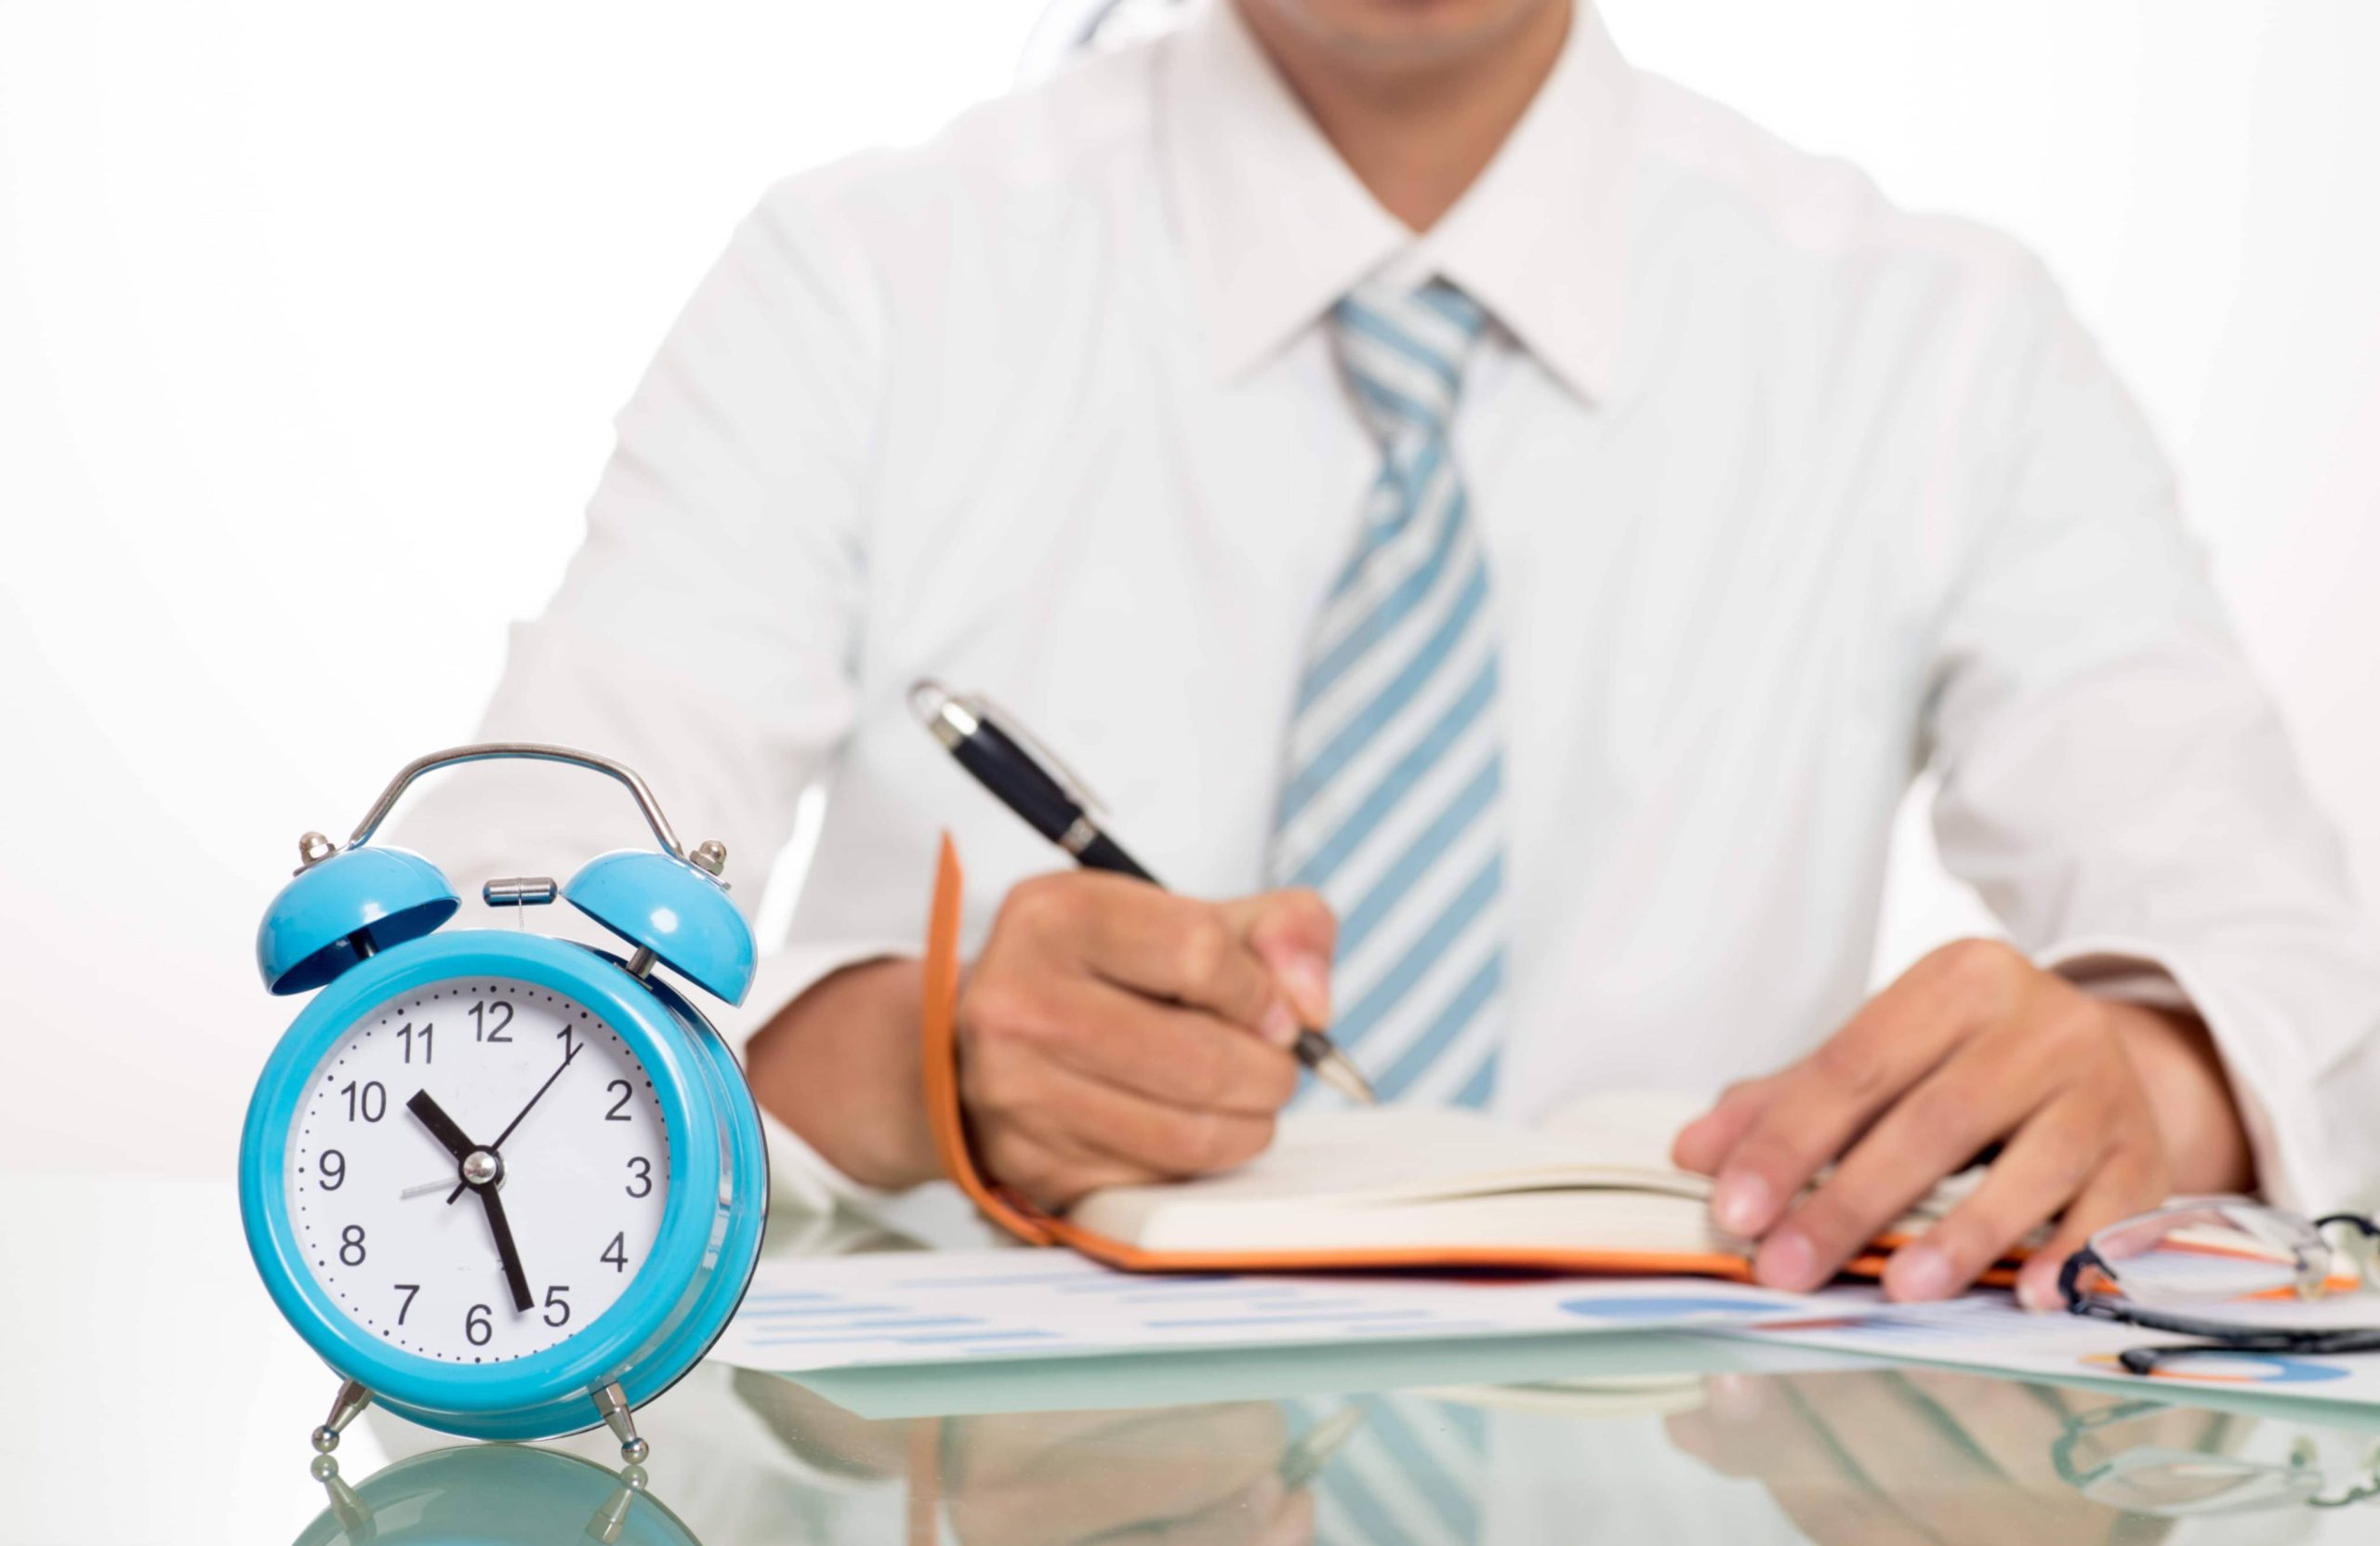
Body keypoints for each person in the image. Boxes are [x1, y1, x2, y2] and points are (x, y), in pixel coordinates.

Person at [401, 0, 2380, 1309]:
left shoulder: (1941, 339)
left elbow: (2293, 977)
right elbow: (485, 981)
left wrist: (2148, 1077)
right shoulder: (860, 283)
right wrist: (909, 1067)